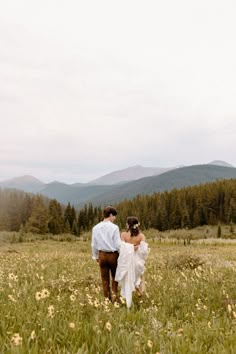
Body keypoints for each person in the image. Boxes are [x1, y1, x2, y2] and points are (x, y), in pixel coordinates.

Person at [115, 216, 149, 308]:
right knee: (136, 274)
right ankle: (136, 284)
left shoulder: (123, 235)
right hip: (137, 260)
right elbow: (144, 251)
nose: (125, 224)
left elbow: (121, 247)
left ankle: (126, 296)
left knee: (127, 277)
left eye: (126, 223)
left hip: (127, 260)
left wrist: (129, 247)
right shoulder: (141, 236)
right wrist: (135, 247)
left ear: (129, 224)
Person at [91, 206, 121, 302]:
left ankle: (107, 299)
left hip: (102, 255)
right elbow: (117, 244)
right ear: (111, 215)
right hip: (113, 255)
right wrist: (122, 255)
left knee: (104, 279)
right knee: (115, 277)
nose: (114, 218)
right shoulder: (115, 227)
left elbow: (93, 244)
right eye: (114, 216)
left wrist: (95, 256)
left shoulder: (95, 228)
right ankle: (114, 298)